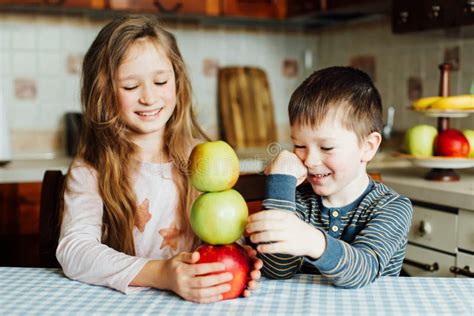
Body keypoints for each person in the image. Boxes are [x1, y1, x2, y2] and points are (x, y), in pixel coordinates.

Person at [56, 15, 262, 303]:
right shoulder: (92, 168)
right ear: (103, 92)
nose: (149, 97)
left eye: (161, 81)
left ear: (177, 81)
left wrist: (237, 256)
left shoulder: (201, 157)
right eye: (130, 86)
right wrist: (161, 273)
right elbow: (75, 251)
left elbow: (220, 230)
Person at [246, 67, 413, 288]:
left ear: (368, 147)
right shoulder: (298, 201)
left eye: (327, 147)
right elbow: (278, 270)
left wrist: (312, 241)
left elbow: (363, 270)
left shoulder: (391, 208)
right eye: (299, 145)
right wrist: (280, 183)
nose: (310, 160)